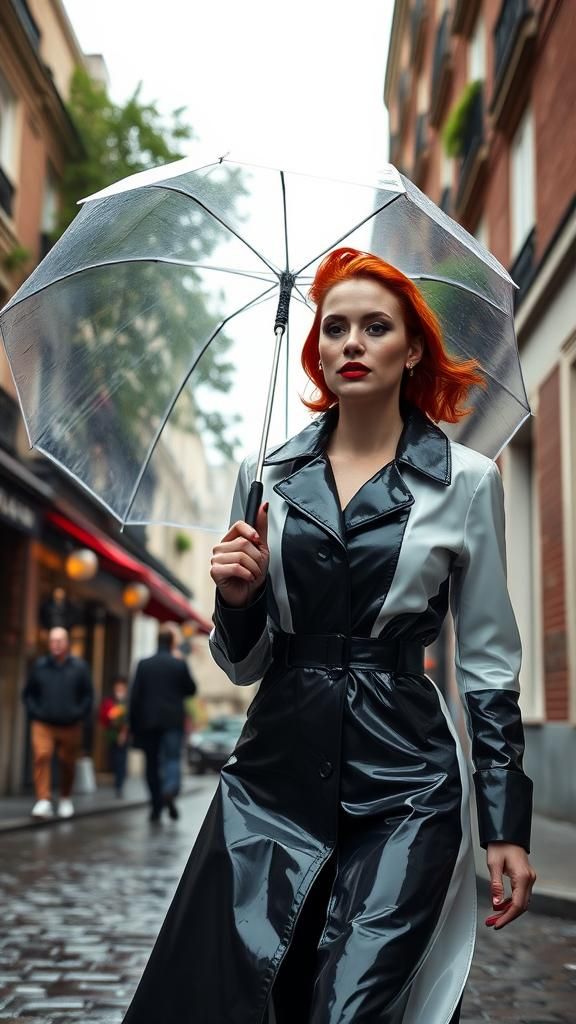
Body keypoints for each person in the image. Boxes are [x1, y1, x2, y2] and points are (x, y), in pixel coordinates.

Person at [121, 248, 537, 1024]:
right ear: (316, 349)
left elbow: (487, 664)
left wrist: (505, 824)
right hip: (273, 773)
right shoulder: (268, 475)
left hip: (407, 780)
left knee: (352, 1005)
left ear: (412, 350)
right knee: (246, 997)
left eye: (375, 327)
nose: (351, 342)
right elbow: (241, 664)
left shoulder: (466, 480)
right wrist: (236, 599)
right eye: (335, 327)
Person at [23, 626, 94, 820]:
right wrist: (35, 712)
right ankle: (43, 800)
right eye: (53, 641)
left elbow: (88, 695)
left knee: (67, 762)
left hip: (70, 724)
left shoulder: (79, 667)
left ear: (67, 643)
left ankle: (65, 797)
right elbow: (28, 694)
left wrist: (78, 713)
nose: (56, 644)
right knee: (42, 755)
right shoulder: (40, 666)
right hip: (43, 723)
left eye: (60, 640)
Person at [129, 622, 197, 822]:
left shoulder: (144, 664)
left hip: (148, 722)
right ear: (172, 642)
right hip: (172, 721)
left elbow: (135, 697)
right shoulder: (178, 664)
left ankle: (156, 806)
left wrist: (133, 725)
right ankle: (169, 789)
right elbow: (191, 689)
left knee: (151, 764)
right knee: (172, 759)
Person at [99, 675, 129, 797]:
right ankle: (117, 782)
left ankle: (119, 785)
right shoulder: (109, 701)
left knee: (121, 760)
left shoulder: (127, 702)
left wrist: (124, 732)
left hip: (124, 736)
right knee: (115, 758)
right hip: (112, 734)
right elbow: (103, 716)